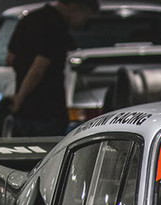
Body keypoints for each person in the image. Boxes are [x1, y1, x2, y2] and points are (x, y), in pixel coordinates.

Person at [6, 0, 99, 136]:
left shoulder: (28, 19)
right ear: (76, 7)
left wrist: (17, 98)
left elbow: (10, 58)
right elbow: (39, 68)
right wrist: (20, 98)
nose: (84, 22)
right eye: (86, 16)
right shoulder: (56, 26)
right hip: (47, 110)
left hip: (23, 112)